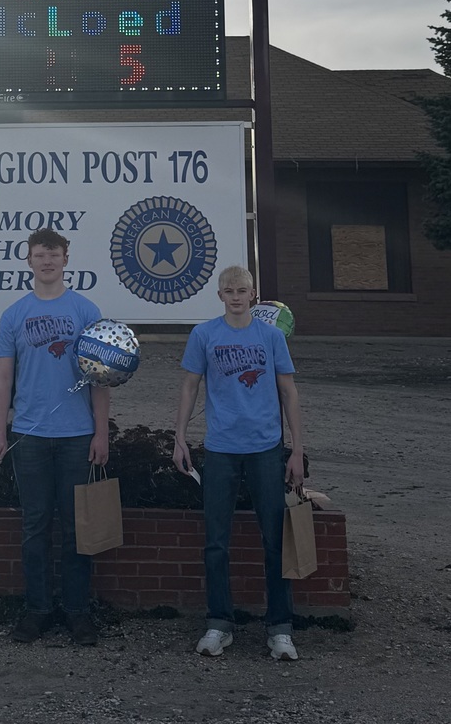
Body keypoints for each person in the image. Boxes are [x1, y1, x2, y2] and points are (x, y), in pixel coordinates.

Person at [172, 265, 305, 661]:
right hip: (221, 449)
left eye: (241, 290)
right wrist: (179, 436)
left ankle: (280, 627)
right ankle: (219, 623)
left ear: (253, 294)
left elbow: (288, 391)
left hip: (265, 448)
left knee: (274, 540)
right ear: (220, 295)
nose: (235, 296)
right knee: (216, 542)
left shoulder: (270, 336)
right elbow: (190, 385)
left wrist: (297, 449)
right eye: (228, 290)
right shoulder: (204, 334)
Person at [0, 228, 109, 646]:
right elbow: (2, 377)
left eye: (53, 254)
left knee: (78, 529)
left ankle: (77, 612)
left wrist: (101, 432)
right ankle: (37, 610)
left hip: (77, 435)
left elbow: (100, 377)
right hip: (30, 436)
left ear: (66, 258)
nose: (47, 261)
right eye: (39, 255)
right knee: (35, 526)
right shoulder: (13, 314)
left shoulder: (86, 310)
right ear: (29, 260)